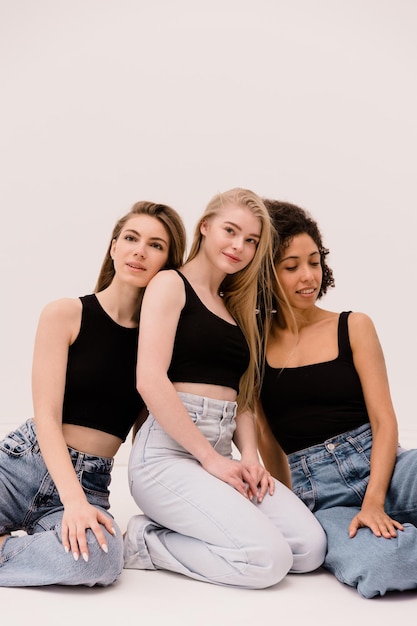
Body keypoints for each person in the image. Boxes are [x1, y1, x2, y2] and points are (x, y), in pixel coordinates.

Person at [123, 188, 326, 589]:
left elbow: (243, 397)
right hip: (166, 457)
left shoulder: (234, 305)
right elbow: (149, 379)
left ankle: (199, 529)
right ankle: (142, 542)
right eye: (230, 231)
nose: (239, 246)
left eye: (251, 241)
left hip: (221, 451)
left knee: (308, 549)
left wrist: (249, 456)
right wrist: (209, 459)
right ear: (205, 226)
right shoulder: (170, 284)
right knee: (267, 561)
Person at [0, 201, 186, 587]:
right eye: (131, 238)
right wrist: (74, 503)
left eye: (155, 245)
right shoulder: (65, 314)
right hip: (24, 463)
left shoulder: (161, 345)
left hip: (92, 480)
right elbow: (47, 417)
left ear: (169, 263)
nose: (139, 250)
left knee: (99, 561)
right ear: (114, 246)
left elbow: (146, 438)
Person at [256, 199, 417, 598]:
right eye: (291, 266)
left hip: (385, 465)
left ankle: (396, 522)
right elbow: (266, 438)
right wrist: (289, 509)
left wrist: (375, 502)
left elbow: (384, 422)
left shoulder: (354, 326)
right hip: (319, 495)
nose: (308, 275)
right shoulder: (251, 346)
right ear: (264, 274)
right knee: (384, 566)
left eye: (314, 261)